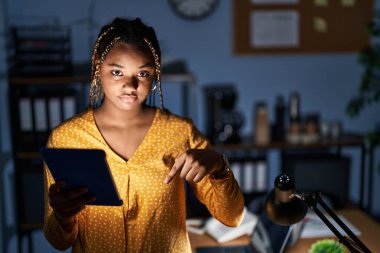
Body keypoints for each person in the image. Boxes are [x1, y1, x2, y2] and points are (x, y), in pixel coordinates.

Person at [43, 17, 244, 253]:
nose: (130, 85)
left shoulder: (180, 132)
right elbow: (58, 241)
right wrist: (63, 217)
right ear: (98, 66)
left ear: (155, 74)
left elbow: (232, 218)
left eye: (143, 74)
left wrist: (219, 166)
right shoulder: (66, 139)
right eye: (117, 72)